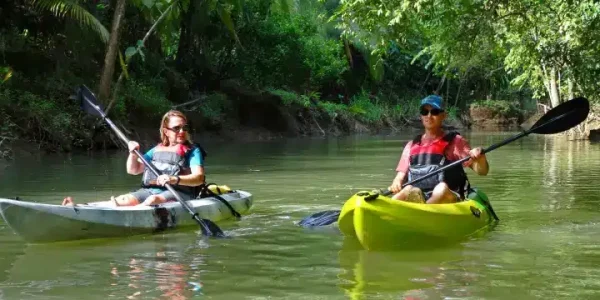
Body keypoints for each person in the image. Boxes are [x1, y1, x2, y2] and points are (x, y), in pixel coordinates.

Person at [62, 110, 205, 207]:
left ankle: (135, 215)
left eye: (184, 128)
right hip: (150, 190)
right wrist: (132, 153)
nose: (182, 131)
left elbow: (199, 178)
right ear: (166, 131)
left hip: (179, 193)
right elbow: (133, 170)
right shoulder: (156, 150)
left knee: (153, 200)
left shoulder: (192, 151)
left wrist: (174, 179)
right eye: (177, 128)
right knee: (122, 200)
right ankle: (77, 208)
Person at [388, 95, 489, 204]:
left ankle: (423, 210)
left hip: (449, 197)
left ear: (443, 115)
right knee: (408, 189)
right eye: (425, 111)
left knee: (441, 188)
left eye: (435, 112)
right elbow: (399, 177)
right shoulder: (411, 145)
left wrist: (480, 158)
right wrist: (396, 183)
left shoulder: (455, 142)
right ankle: (387, 207)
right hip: (419, 196)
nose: (429, 116)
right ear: (421, 116)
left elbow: (482, 171)